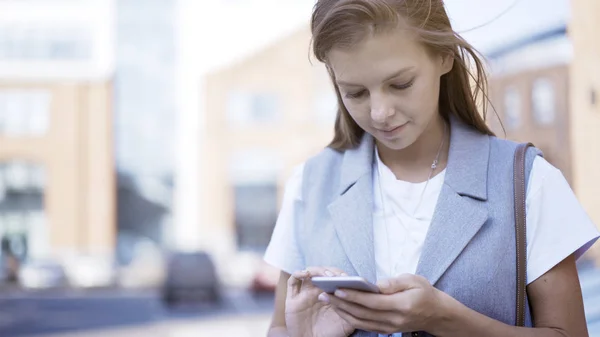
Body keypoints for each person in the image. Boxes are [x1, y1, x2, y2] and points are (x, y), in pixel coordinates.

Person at [264, 0, 600, 336]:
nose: (380, 112)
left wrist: (447, 320)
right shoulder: (309, 184)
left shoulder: (527, 181)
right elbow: (279, 328)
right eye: (356, 93)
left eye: (400, 84)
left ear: (444, 56)